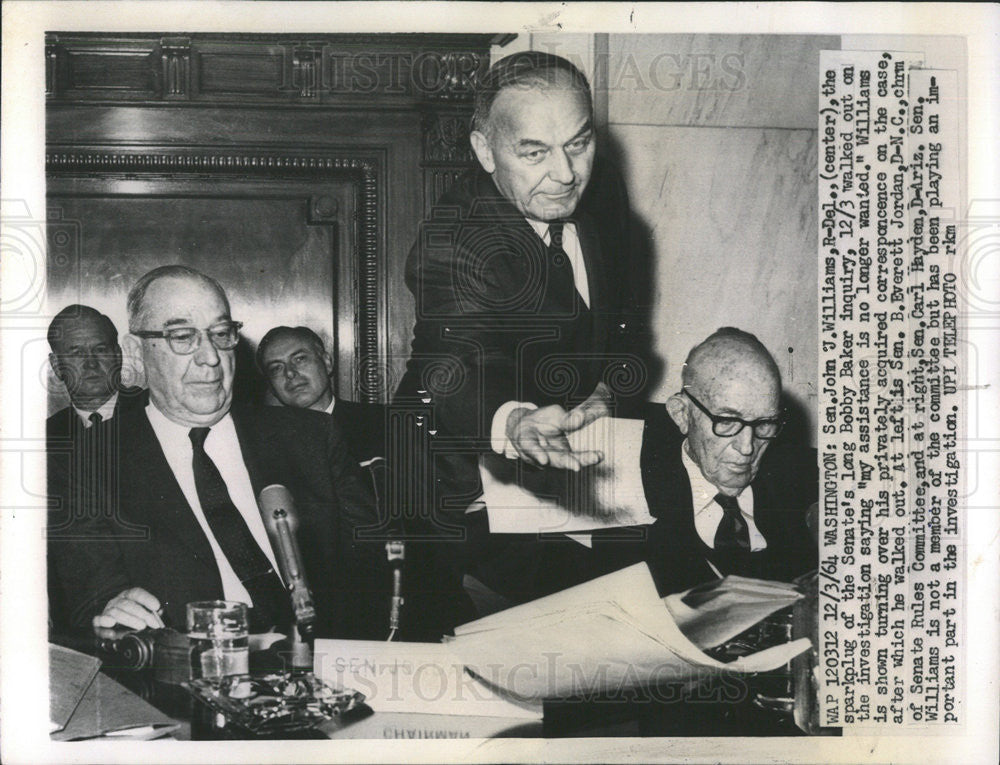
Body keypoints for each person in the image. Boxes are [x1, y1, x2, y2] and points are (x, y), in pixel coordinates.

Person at [393, 51, 650, 612]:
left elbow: (624, 331)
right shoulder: (453, 240)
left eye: (578, 144)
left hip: (581, 487)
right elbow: (453, 363)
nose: (564, 175)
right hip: (464, 501)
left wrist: (608, 388)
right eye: (533, 153)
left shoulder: (602, 194)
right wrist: (513, 421)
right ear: (485, 150)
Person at [48, 265, 388, 639]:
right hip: (182, 679)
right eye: (182, 336)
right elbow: (90, 600)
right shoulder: (86, 462)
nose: (210, 356)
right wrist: (113, 609)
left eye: (221, 334)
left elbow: (377, 572)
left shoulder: (312, 436)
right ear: (135, 351)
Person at [596, 328, 817, 594]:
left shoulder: (808, 486)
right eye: (726, 421)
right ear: (681, 414)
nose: (747, 447)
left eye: (765, 424)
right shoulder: (619, 491)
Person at [256, 325, 385, 466]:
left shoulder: (381, 423)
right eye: (276, 368)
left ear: (327, 362)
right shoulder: (264, 447)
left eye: (300, 359)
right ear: (272, 387)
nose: (290, 373)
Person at [45, 304, 140, 440]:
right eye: (77, 353)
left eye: (100, 350)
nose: (91, 363)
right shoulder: (46, 436)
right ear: (56, 365)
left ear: (118, 355)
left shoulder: (155, 412)